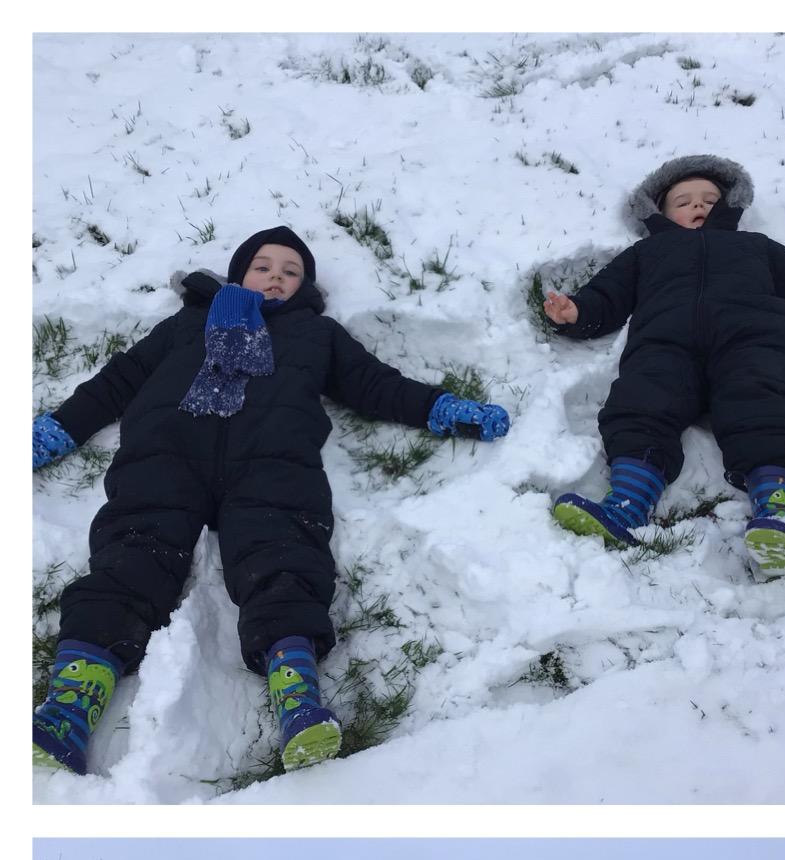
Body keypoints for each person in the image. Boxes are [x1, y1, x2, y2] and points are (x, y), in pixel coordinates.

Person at [31, 227, 508, 777]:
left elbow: (376, 384)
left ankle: (297, 694)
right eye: (263, 267)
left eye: (290, 271)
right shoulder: (189, 323)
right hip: (166, 452)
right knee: (132, 556)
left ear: (304, 286)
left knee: (283, 556)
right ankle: (70, 704)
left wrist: (442, 408)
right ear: (239, 274)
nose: (276, 278)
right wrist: (59, 429)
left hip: (274, 460)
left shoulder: (316, 334)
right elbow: (119, 380)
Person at [544, 156, 785, 580]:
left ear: (729, 206)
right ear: (659, 213)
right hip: (666, 340)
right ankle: (626, 505)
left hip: (752, 335)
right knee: (641, 400)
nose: (698, 206)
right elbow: (608, 294)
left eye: (709, 199)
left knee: (760, 402)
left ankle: (776, 513)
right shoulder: (646, 252)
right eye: (684, 201)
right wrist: (577, 312)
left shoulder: (757, 247)